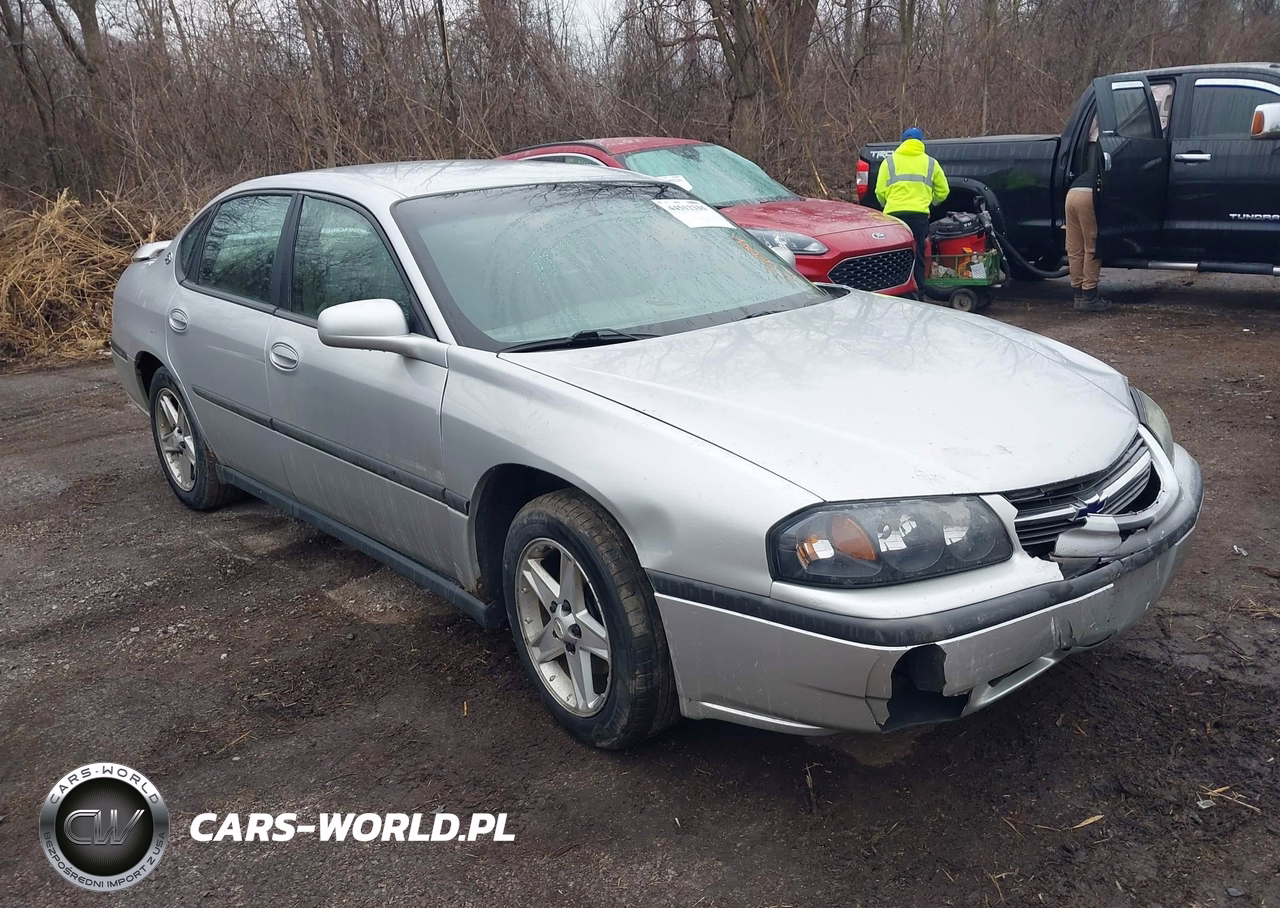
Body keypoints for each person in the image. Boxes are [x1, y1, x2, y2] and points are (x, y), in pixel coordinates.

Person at [875, 126, 949, 294]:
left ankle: (893, 293)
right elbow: (943, 191)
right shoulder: (931, 163)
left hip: (894, 218)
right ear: (920, 142)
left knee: (893, 258)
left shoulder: (889, 162)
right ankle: (919, 294)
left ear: (902, 142)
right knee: (918, 257)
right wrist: (930, 204)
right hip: (918, 216)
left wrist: (888, 205)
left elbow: (879, 191)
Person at [1065, 117, 1109, 311]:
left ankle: (1077, 294)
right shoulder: (1106, 170)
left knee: (1075, 248)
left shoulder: (1088, 169)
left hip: (1071, 195)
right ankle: (1089, 296)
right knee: (1092, 246)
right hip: (1088, 196)